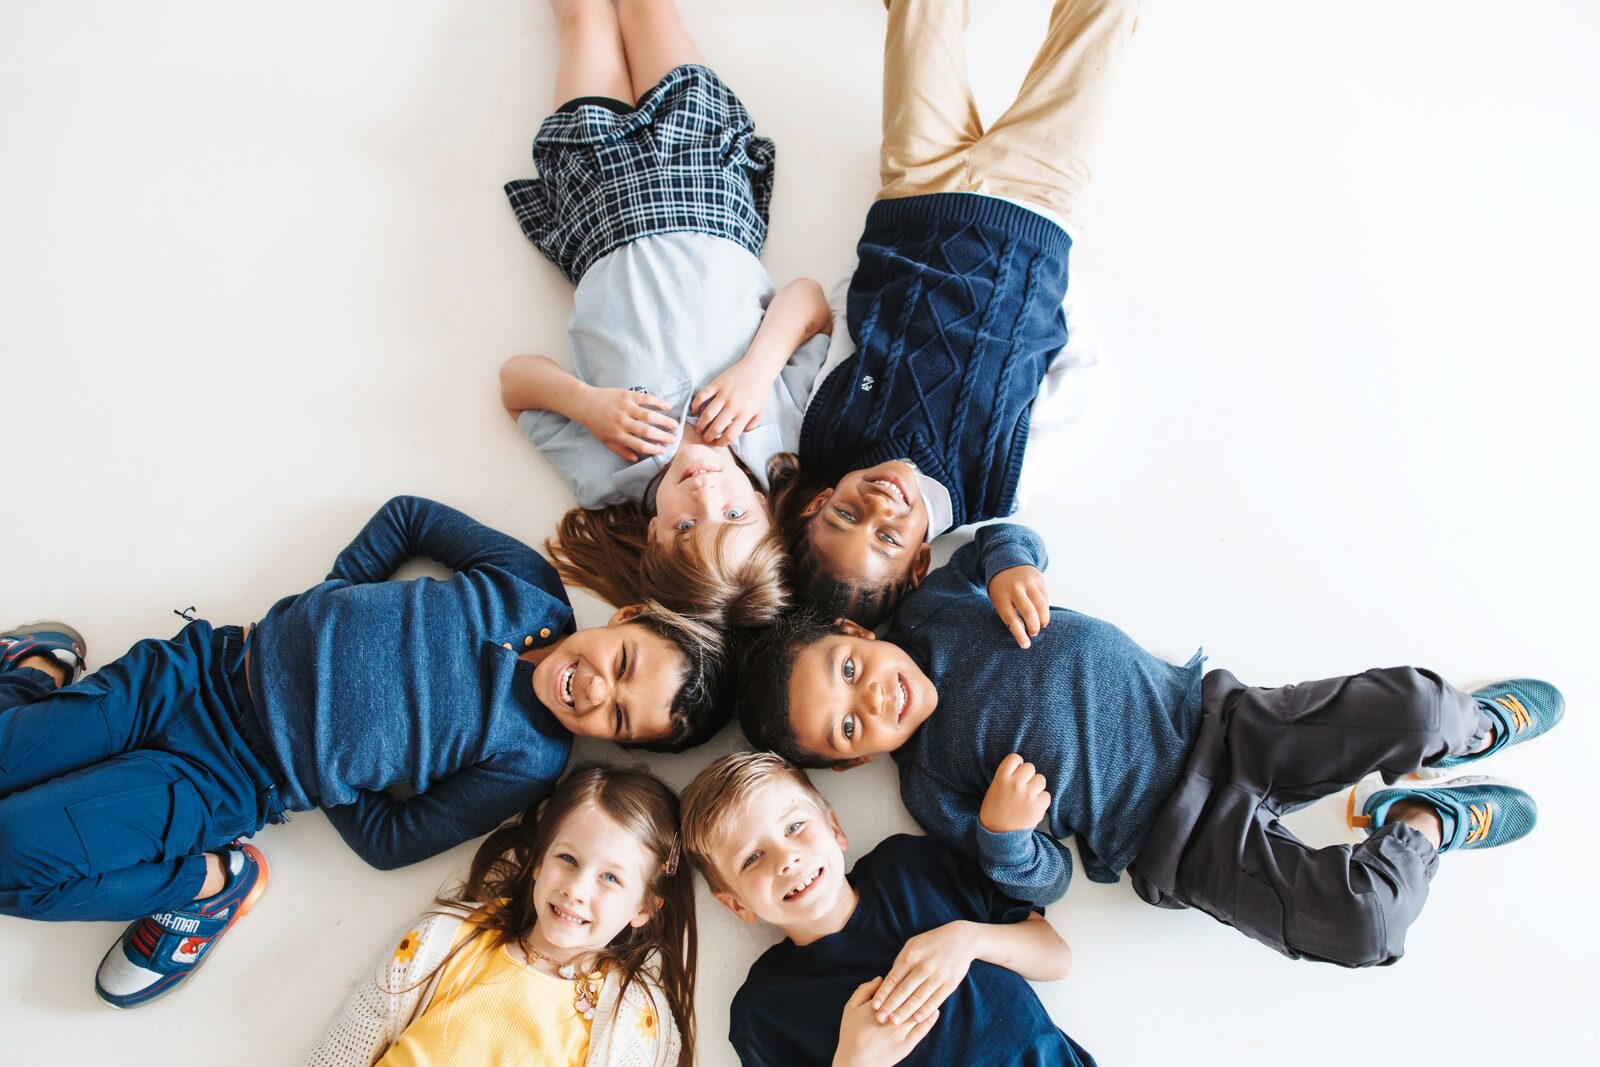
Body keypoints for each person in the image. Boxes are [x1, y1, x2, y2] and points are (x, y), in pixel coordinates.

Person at [0, 495, 727, 1008]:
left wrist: (322, 764)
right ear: (627, 616)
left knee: (10, 856)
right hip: (197, 667)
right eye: (624, 661)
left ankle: (207, 885)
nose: (598, 690)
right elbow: (409, 516)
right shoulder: (528, 588)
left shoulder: (531, 758)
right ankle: (30, 674)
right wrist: (334, 598)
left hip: (221, 778)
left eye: (620, 718)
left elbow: (391, 840)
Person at [735, 523, 1563, 967]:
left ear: (853, 629)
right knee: (1360, 922)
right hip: (1179, 841)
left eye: (849, 667)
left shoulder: (934, 609)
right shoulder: (930, 784)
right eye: (849, 725)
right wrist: (1005, 833)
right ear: (850, 760)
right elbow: (1047, 880)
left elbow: (1000, 535)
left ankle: (1468, 732)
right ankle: (1423, 818)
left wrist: (1009, 568)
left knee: (1417, 710)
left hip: (1223, 724)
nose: (874, 696)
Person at [774, 0, 1139, 628]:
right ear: (920, 562)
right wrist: (1046, 277)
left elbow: (841, 317)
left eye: (847, 517)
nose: (878, 508)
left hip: (915, 188)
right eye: (888, 537)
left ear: (818, 505)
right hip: (1035, 205)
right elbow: (1080, 378)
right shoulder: (1000, 485)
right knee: (1104, 18)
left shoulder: (824, 432)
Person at [500, 0, 832, 628]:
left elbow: (514, 383)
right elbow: (810, 300)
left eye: (686, 525)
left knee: (584, 17)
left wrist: (583, 403)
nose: (706, 494)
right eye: (734, 515)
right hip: (706, 188)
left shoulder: (608, 476)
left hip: (600, 209)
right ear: (770, 516)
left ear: (653, 537)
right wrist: (758, 369)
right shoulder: (782, 437)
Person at [680, 752, 1091, 1067]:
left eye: (794, 827)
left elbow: (1058, 957)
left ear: (835, 829)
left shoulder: (910, 866)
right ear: (736, 904)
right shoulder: (764, 1009)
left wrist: (968, 939)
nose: (786, 859)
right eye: (752, 858)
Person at [305, 762, 694, 1067]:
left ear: (644, 907)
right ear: (539, 862)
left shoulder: (636, 1019)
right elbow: (342, 1049)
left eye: (610, 877)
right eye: (568, 859)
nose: (576, 889)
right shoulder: (441, 942)